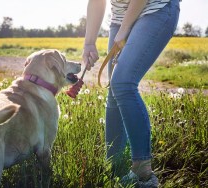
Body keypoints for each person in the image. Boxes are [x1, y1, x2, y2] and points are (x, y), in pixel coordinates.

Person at [83, 0, 180, 187]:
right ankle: (114, 169)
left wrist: (125, 27)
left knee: (123, 83)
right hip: (119, 16)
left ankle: (143, 174)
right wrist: (89, 43)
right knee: (114, 92)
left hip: (155, 8)